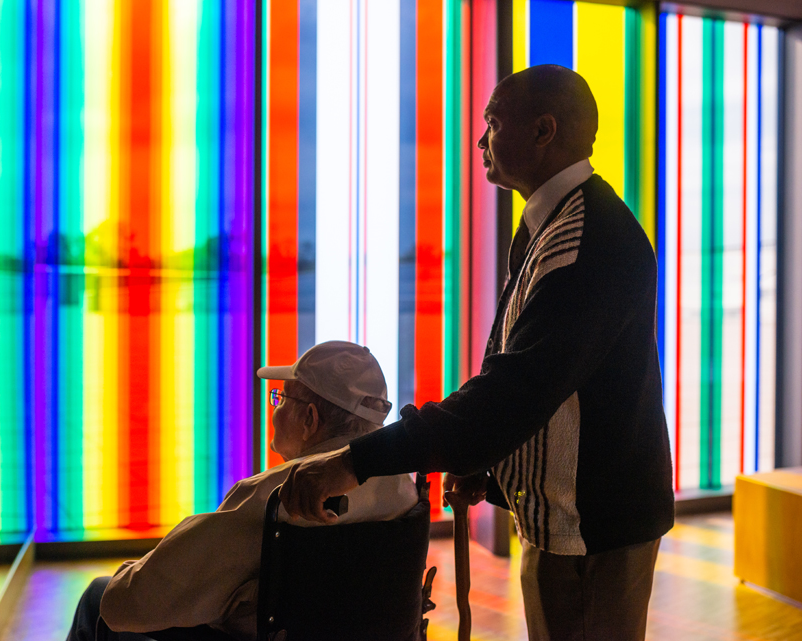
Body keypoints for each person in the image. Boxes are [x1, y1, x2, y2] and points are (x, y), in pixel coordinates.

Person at [278, 64, 675, 641]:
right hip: (565, 521)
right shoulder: (554, 222)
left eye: (493, 121)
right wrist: (489, 472)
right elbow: (543, 378)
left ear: (543, 131)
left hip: (593, 533)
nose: (481, 139)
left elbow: (514, 392)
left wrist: (353, 461)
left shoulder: (586, 240)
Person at [65, 340, 417, 641]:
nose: (275, 411)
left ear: (310, 419)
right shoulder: (404, 489)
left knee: (100, 596)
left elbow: (134, 602)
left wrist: (129, 575)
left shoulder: (275, 497)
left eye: (281, 399)